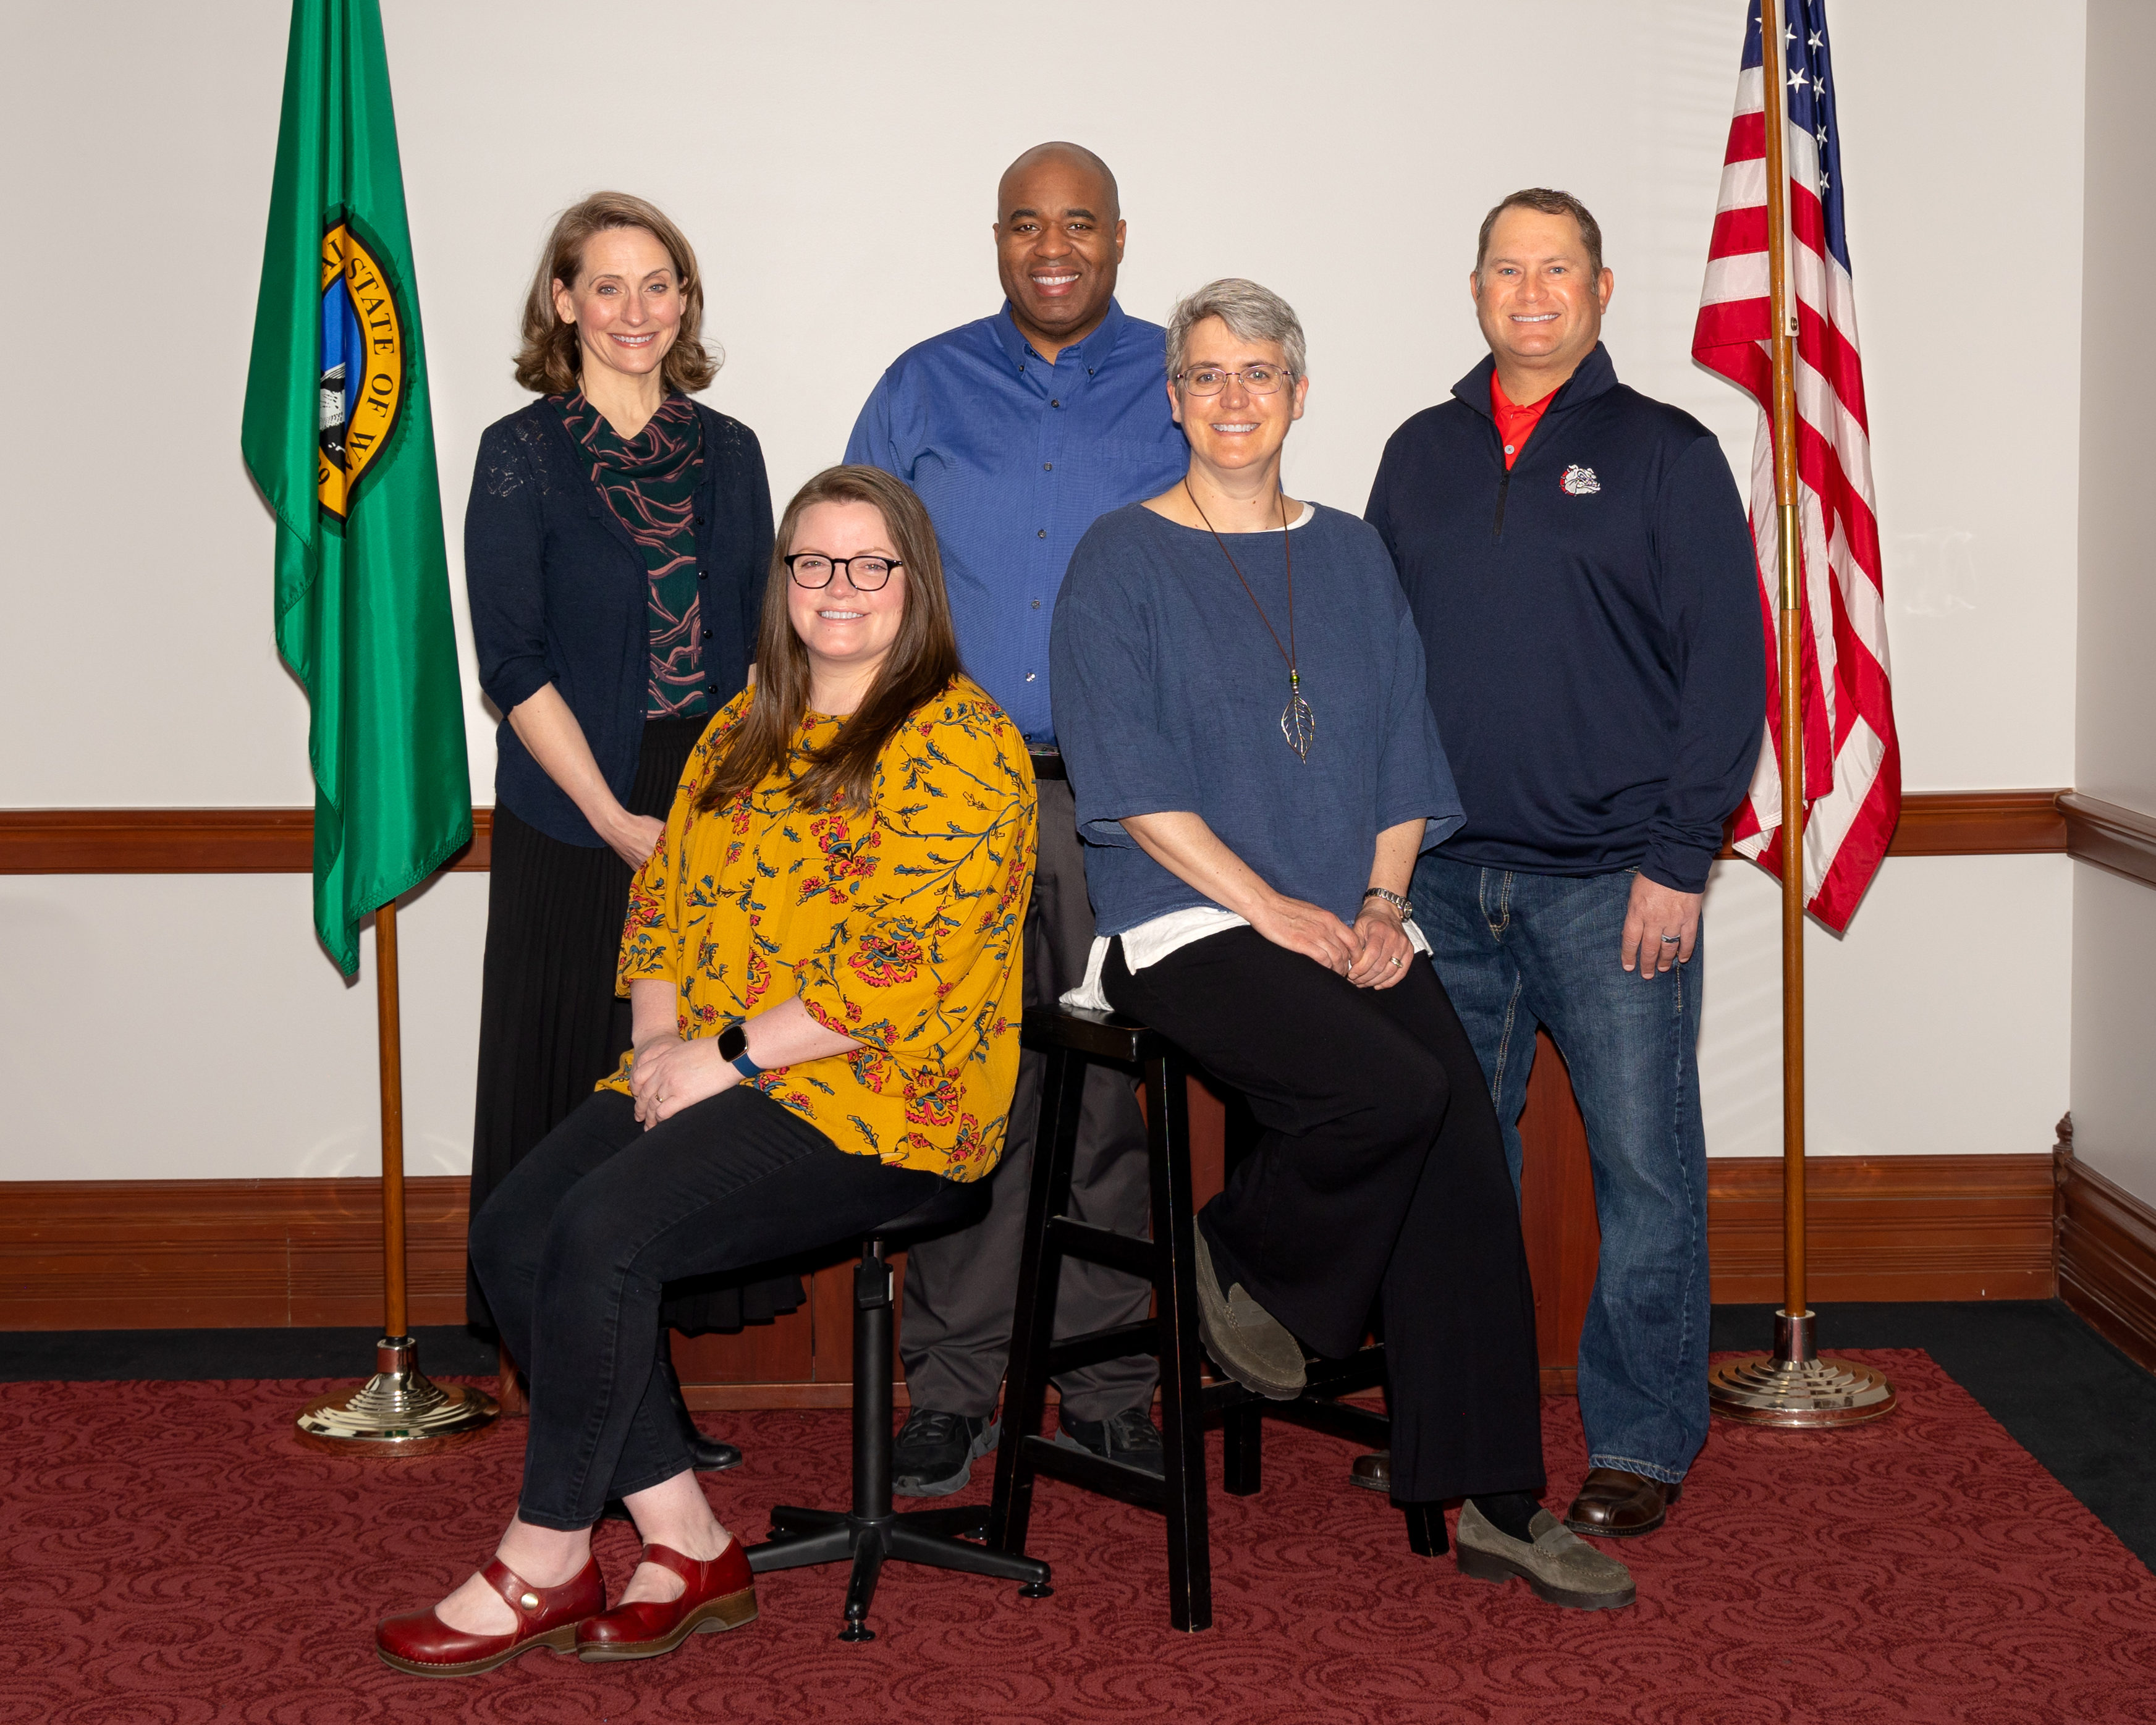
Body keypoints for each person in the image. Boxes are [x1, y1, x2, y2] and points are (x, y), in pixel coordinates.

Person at [376, 465, 1036, 1675]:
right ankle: (684, 1539)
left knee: (601, 1235)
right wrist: (655, 1054)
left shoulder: (962, 740)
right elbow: (661, 910)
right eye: (813, 564)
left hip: (883, 1103)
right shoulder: (737, 726)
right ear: (782, 582)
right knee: (516, 1229)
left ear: (913, 586)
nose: (839, 589)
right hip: (718, 1070)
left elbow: (894, 971)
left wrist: (718, 1058)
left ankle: (547, 1551)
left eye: (869, 565)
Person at [1052, 279, 1634, 1612]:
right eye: (1206, 374)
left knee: (1465, 1162)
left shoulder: (1355, 553)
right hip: (1187, 918)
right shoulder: (1119, 560)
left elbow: (1396, 761)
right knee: (1393, 1089)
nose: (1234, 398)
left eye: (1259, 373)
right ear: (1174, 397)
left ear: (1298, 394)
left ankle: (1491, 1500)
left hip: (1344, 915)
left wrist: (1377, 908)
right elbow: (1133, 792)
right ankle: (1235, 1251)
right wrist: (1276, 911)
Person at [1361, 189, 1765, 1537]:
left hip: (1612, 886)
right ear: (1471, 287)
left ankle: (1641, 1439)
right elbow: (1378, 669)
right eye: (1504, 268)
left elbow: (1727, 671)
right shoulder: (1417, 452)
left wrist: (1676, 858)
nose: (1528, 292)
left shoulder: (1664, 451)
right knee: (1448, 1170)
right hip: (1436, 885)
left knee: (1643, 1173)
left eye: (1556, 270)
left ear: (1598, 291)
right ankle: (1455, 1422)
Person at [844, 141, 1190, 1493]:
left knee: (1109, 1095)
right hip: (952, 801)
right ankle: (955, 1382)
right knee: (963, 1090)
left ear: (1118, 236)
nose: (1054, 246)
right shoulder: (923, 383)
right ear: (997, 239)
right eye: (1026, 224)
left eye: (1080, 223)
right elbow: (850, 580)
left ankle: (1107, 1379)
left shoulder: (1183, 376)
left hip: (1123, 805)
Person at [464, 191, 784, 1470]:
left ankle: (648, 1412)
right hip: (568, 810)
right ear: (562, 303)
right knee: (572, 1102)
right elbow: (512, 660)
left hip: (707, 804)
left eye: (661, 285)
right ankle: (578, 1405)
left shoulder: (734, 449)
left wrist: (723, 822)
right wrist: (609, 815)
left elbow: (764, 646)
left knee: (673, 1113)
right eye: (608, 285)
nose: (637, 310)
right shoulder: (517, 451)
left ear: (684, 304)